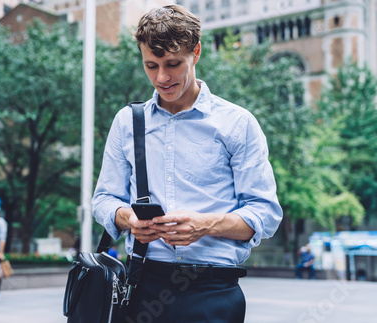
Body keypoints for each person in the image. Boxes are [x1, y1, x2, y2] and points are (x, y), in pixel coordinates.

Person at [92, 5, 282, 322]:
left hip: (214, 291)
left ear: (196, 51)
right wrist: (129, 219)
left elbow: (264, 212)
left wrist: (203, 224)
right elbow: (103, 199)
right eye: (150, 66)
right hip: (143, 285)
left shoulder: (237, 123)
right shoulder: (128, 122)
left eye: (172, 64)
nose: (161, 77)